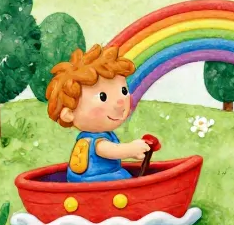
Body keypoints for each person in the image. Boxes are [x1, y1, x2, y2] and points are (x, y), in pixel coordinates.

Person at [45, 45, 153, 183]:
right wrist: (131, 149)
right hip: (95, 181)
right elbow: (109, 150)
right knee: (123, 177)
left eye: (124, 91)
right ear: (69, 113)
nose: (120, 101)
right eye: (103, 97)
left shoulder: (97, 136)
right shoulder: (97, 141)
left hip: (91, 179)